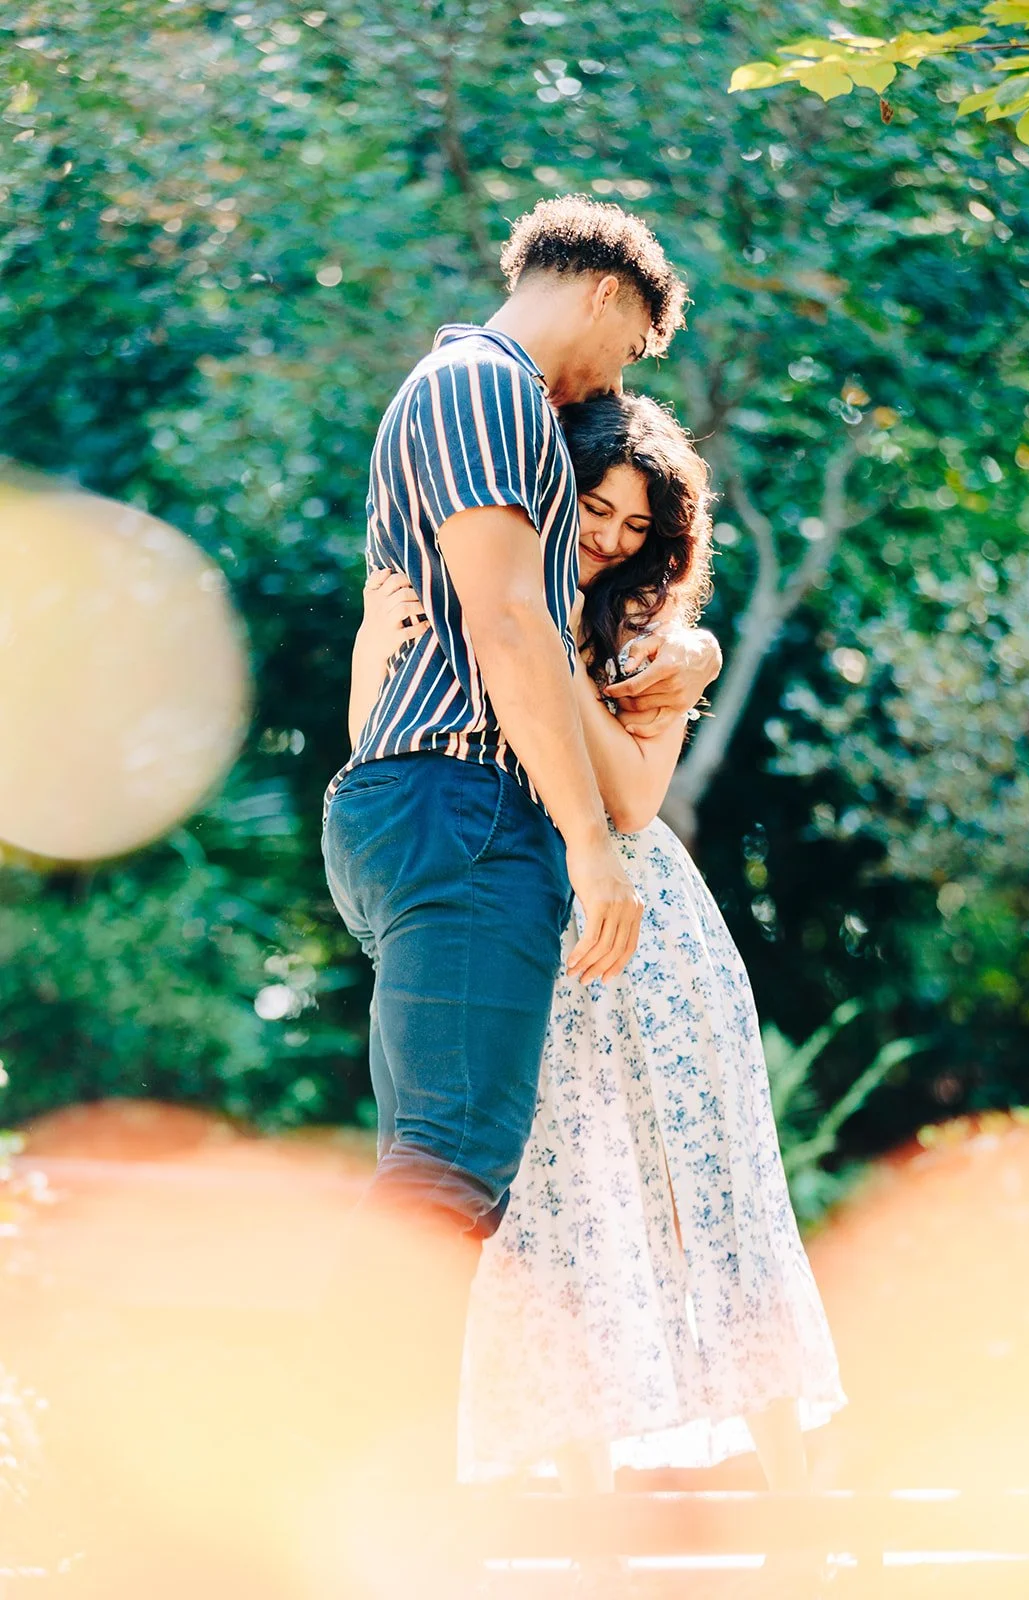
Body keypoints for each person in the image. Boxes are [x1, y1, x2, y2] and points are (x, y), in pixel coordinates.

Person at [354, 392, 844, 1513]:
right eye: (594, 509)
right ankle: (594, 1550)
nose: (614, 540)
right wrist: (385, 642)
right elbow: (376, 745)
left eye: (637, 526)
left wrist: (558, 658)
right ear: (545, 492)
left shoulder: (647, 643)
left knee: (709, 1202)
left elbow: (629, 799)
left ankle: (799, 1526)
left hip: (645, 937)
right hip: (516, 918)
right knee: (548, 1219)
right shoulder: (463, 598)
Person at [321, 197, 721, 1487]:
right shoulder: (486, 387)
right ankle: (313, 1484)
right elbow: (506, 624)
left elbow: (445, 625)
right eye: (633, 351)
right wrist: (589, 852)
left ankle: (360, 1493)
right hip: (467, 804)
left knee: (445, 1170)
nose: (615, 384)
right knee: (445, 1172)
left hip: (428, 805)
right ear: (607, 296)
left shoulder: (476, 401)